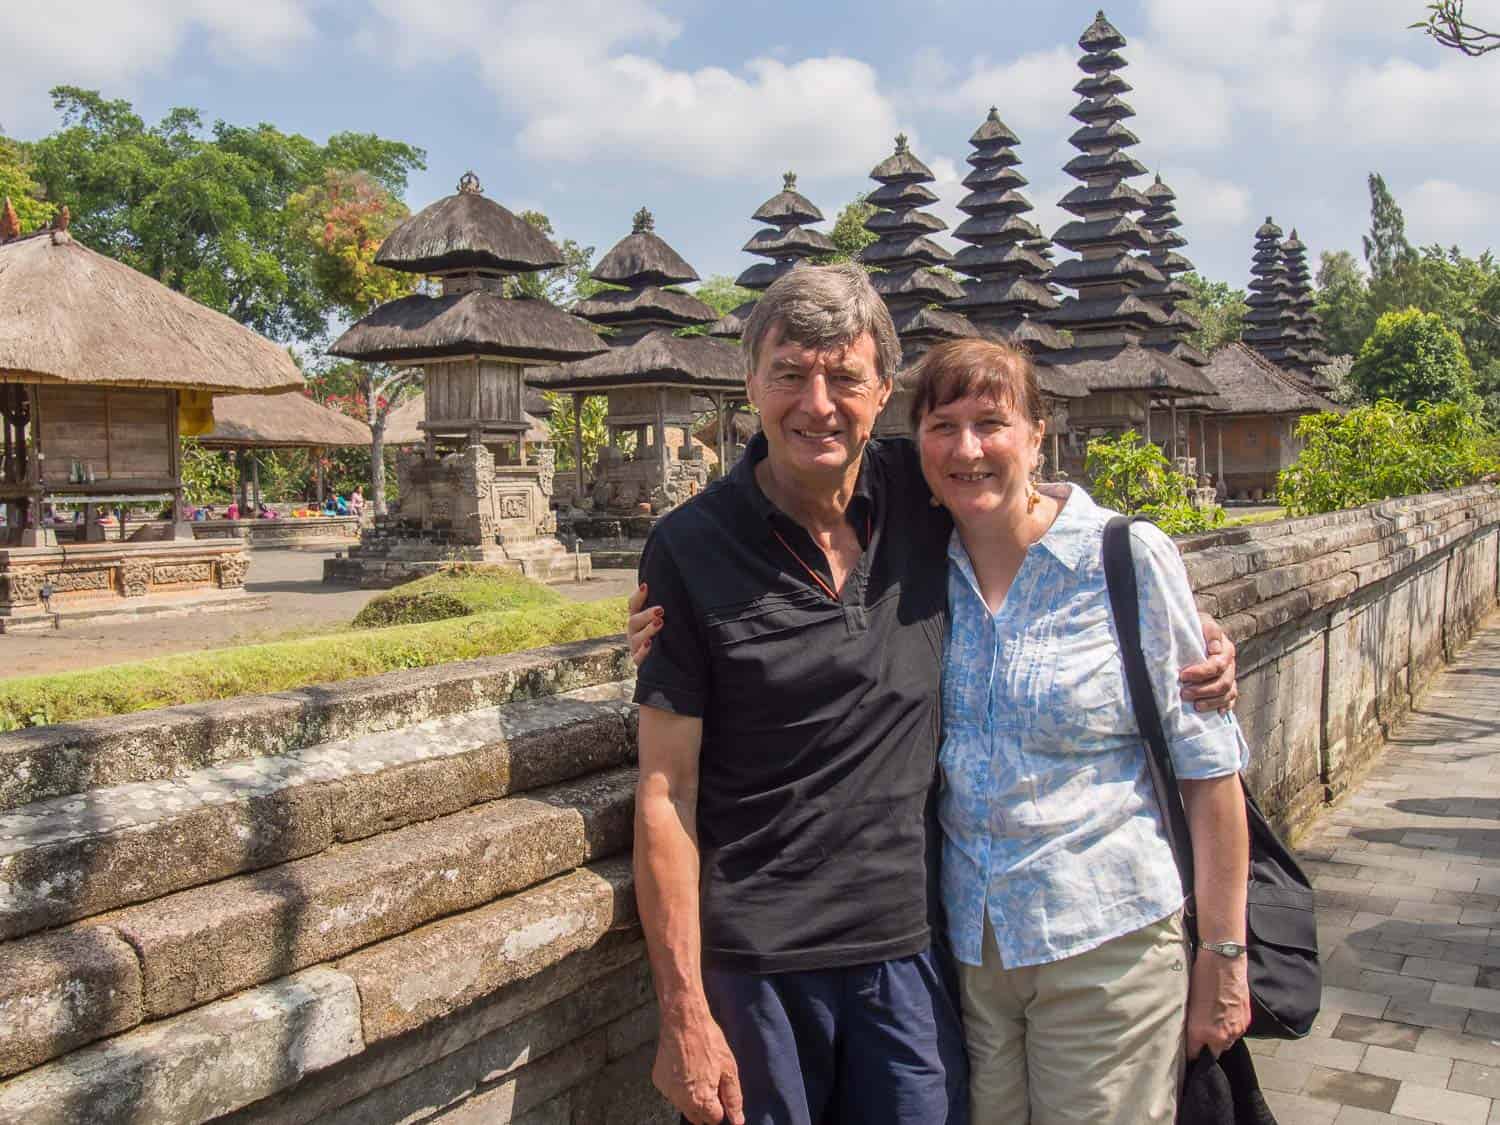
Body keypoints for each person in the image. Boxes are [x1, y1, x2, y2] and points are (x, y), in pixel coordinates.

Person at [626, 264, 1239, 1125]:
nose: (817, 403)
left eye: (844, 376)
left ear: (882, 391)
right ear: (749, 383)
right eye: (790, 373)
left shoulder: (920, 492)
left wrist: (1179, 612)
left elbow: (1035, 509)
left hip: (914, 951)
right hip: (756, 965)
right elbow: (665, 791)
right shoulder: (689, 548)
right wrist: (683, 1009)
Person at [911, 338, 1250, 1123]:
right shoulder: (920, 567)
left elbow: (1208, 770)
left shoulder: (1123, 558)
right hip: (974, 951)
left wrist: (1223, 956)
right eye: (943, 425)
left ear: (1038, 432)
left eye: (992, 422)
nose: (968, 449)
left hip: (1108, 937)